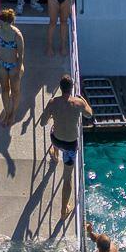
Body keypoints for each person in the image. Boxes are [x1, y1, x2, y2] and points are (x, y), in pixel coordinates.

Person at [41, 76, 93, 218]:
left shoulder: (53, 102)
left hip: (56, 140)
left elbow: (42, 123)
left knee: (54, 128)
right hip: (70, 146)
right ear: (71, 88)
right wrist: (84, 101)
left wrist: (53, 114)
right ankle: (64, 210)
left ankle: (55, 153)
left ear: (60, 87)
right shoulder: (78, 103)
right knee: (67, 177)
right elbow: (89, 114)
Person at [0, 8, 24, 125]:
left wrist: (18, 69)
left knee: (15, 91)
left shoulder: (17, 35)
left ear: (7, 22)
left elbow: (21, 55)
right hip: (2, 64)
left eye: (1, 22)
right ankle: (7, 113)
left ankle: (13, 113)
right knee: (5, 90)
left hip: (14, 66)